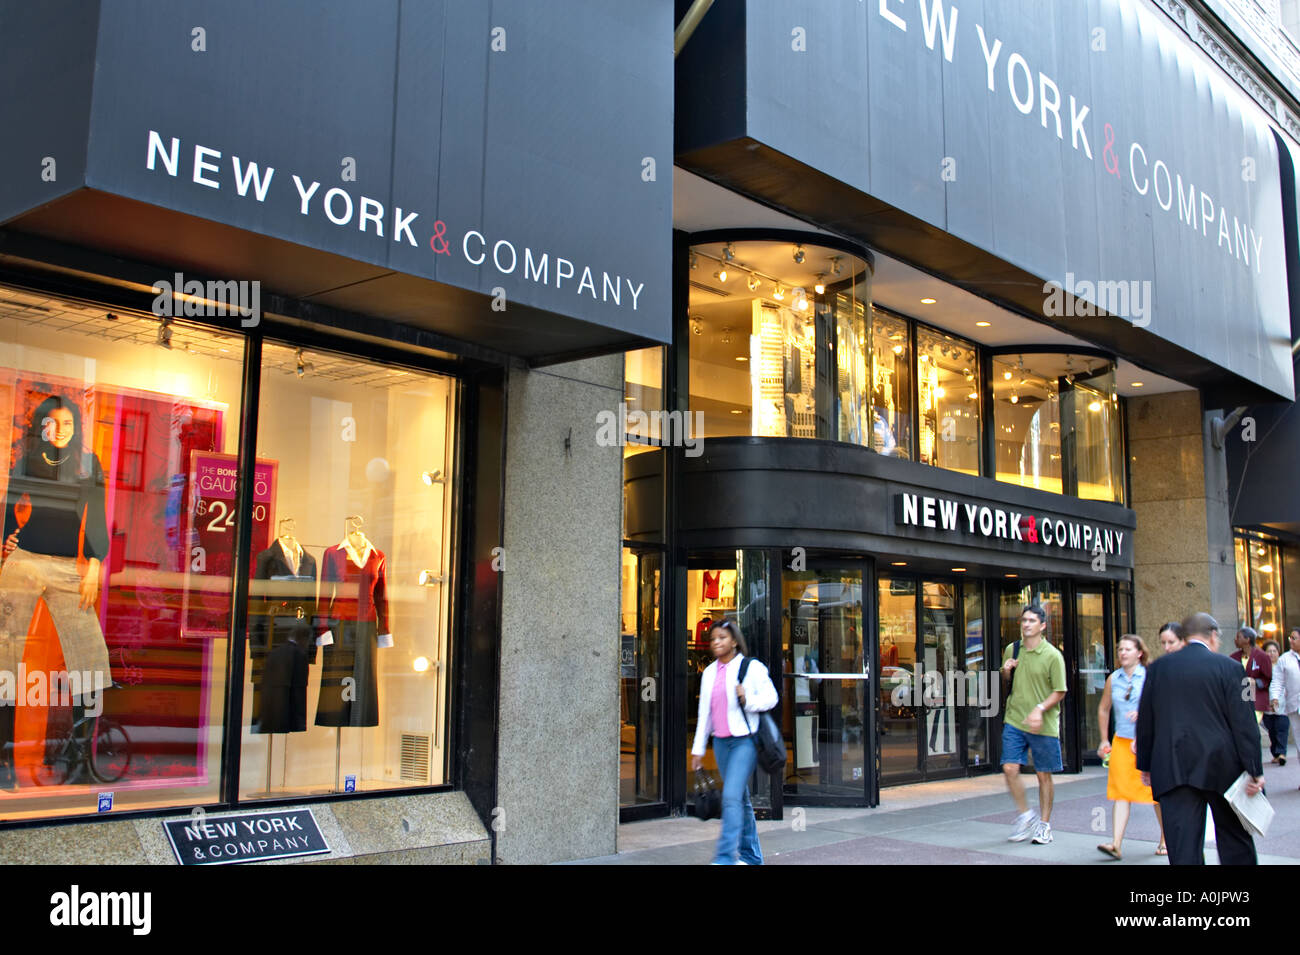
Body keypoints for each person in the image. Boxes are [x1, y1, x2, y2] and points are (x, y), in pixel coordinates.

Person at [1, 395, 112, 788]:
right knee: (5, 659)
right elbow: (10, 504)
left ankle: (81, 761)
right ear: (41, 427)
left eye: (67, 423)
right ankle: (4, 763)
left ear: (75, 426)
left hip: (70, 567)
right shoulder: (27, 461)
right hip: (26, 559)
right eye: (51, 423)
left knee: (91, 662)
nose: (59, 430)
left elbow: (96, 515)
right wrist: (5, 544)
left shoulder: (87, 464)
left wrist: (95, 565)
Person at [1135, 612, 1264, 865]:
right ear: (1213, 635)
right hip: (1223, 765)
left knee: (1183, 846)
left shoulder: (1158, 669)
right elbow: (1245, 722)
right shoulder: (1231, 668)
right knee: (1235, 838)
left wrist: (1146, 764)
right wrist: (1254, 768)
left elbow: (1146, 719)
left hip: (1172, 765)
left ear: (1183, 637)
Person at [690, 620, 778, 865]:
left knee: (730, 797)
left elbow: (772, 698)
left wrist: (747, 699)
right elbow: (704, 714)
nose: (716, 642)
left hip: (744, 742)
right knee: (740, 799)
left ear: (735, 641)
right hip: (720, 743)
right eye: (713, 639)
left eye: (722, 637)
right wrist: (698, 749)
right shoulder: (708, 673)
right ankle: (751, 857)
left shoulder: (751, 668)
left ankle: (725, 857)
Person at [1000, 605, 1067, 846]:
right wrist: (1006, 671)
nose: (1026, 624)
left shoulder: (1052, 655)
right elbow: (1009, 681)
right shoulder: (1013, 648)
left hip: (1044, 724)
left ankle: (1045, 825)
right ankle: (1026, 816)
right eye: (1023, 620)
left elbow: (1060, 691)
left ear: (1043, 626)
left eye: (1031, 621)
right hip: (1015, 719)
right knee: (1009, 768)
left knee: (1043, 775)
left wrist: (1039, 709)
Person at [1096, 634, 1166, 859]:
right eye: (1120, 650)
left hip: (1146, 743)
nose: (1122, 653)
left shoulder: (1149, 676)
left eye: (1127, 649)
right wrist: (1104, 739)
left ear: (1140, 653)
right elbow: (1104, 709)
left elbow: (1163, 707)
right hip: (1122, 742)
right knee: (1120, 793)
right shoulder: (1113, 679)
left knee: (1155, 793)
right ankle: (1116, 843)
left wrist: (1144, 713)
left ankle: (1166, 838)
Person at [1268, 628, 1300, 775]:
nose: (1291, 641)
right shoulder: (1284, 659)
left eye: (1294, 638)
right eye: (1290, 638)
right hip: (1294, 705)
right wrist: (1274, 697)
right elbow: (1277, 682)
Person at [1231, 626, 1272, 727]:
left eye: (1238, 637)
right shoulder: (1233, 657)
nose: (1235, 639)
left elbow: (1267, 678)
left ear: (1247, 639)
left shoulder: (1262, 656)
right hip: (1239, 696)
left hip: (1255, 694)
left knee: (1251, 725)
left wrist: (1255, 682)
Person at [1261, 639, 1289, 765]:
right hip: (1267, 705)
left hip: (1284, 704)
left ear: (1279, 653)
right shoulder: (1260, 668)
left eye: (1274, 651)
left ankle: (1282, 753)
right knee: (1272, 730)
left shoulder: (1284, 666)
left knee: (1281, 728)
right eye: (1269, 651)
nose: (1272, 654)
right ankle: (1276, 753)